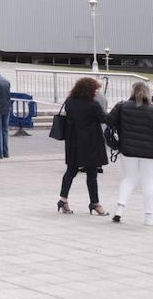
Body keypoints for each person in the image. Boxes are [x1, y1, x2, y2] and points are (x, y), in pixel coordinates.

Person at [106, 81, 153, 225]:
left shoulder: (122, 106)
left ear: (132, 91)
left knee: (128, 178)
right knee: (148, 182)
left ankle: (119, 209)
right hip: (151, 151)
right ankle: (149, 216)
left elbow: (109, 121)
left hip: (127, 149)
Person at [56, 77, 110, 215]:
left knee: (71, 171)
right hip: (90, 142)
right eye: (95, 89)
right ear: (89, 90)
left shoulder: (69, 101)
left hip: (73, 141)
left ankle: (63, 199)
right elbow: (104, 119)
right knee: (91, 174)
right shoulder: (93, 105)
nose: (96, 92)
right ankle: (95, 203)